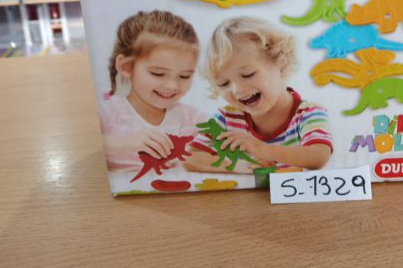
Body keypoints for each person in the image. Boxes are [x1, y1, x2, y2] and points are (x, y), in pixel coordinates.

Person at [183, 16, 333, 173]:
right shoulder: (227, 118)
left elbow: (319, 156)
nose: (237, 90)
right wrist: (243, 165)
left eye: (248, 74)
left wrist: (262, 149)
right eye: (223, 84)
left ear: (282, 66)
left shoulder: (308, 113)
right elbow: (189, 157)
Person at [100, 10, 205, 172]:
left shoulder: (194, 119)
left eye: (184, 76)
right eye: (158, 73)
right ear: (126, 67)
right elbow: (87, 147)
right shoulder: (106, 113)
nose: (172, 86)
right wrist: (124, 142)